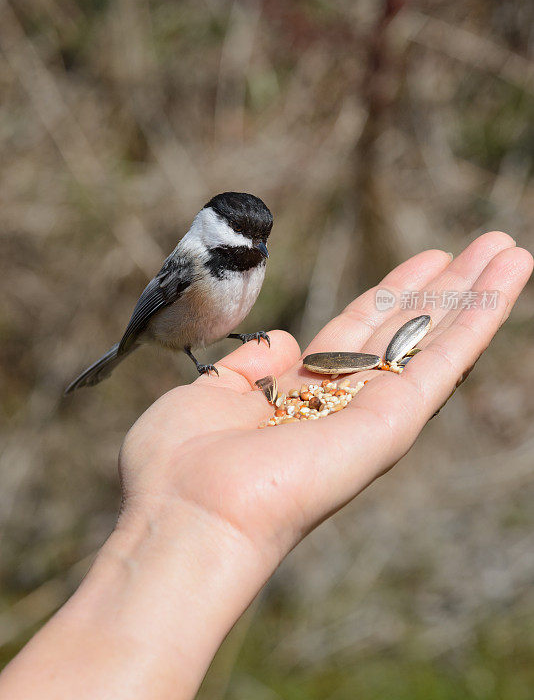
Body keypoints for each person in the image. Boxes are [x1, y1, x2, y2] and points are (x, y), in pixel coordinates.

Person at [0, 232, 531, 700]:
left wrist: (238, 339)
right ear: (216, 231)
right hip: (173, 334)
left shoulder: (250, 259)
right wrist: (191, 361)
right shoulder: (193, 261)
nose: (258, 247)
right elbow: (157, 316)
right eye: (247, 236)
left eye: (264, 237)